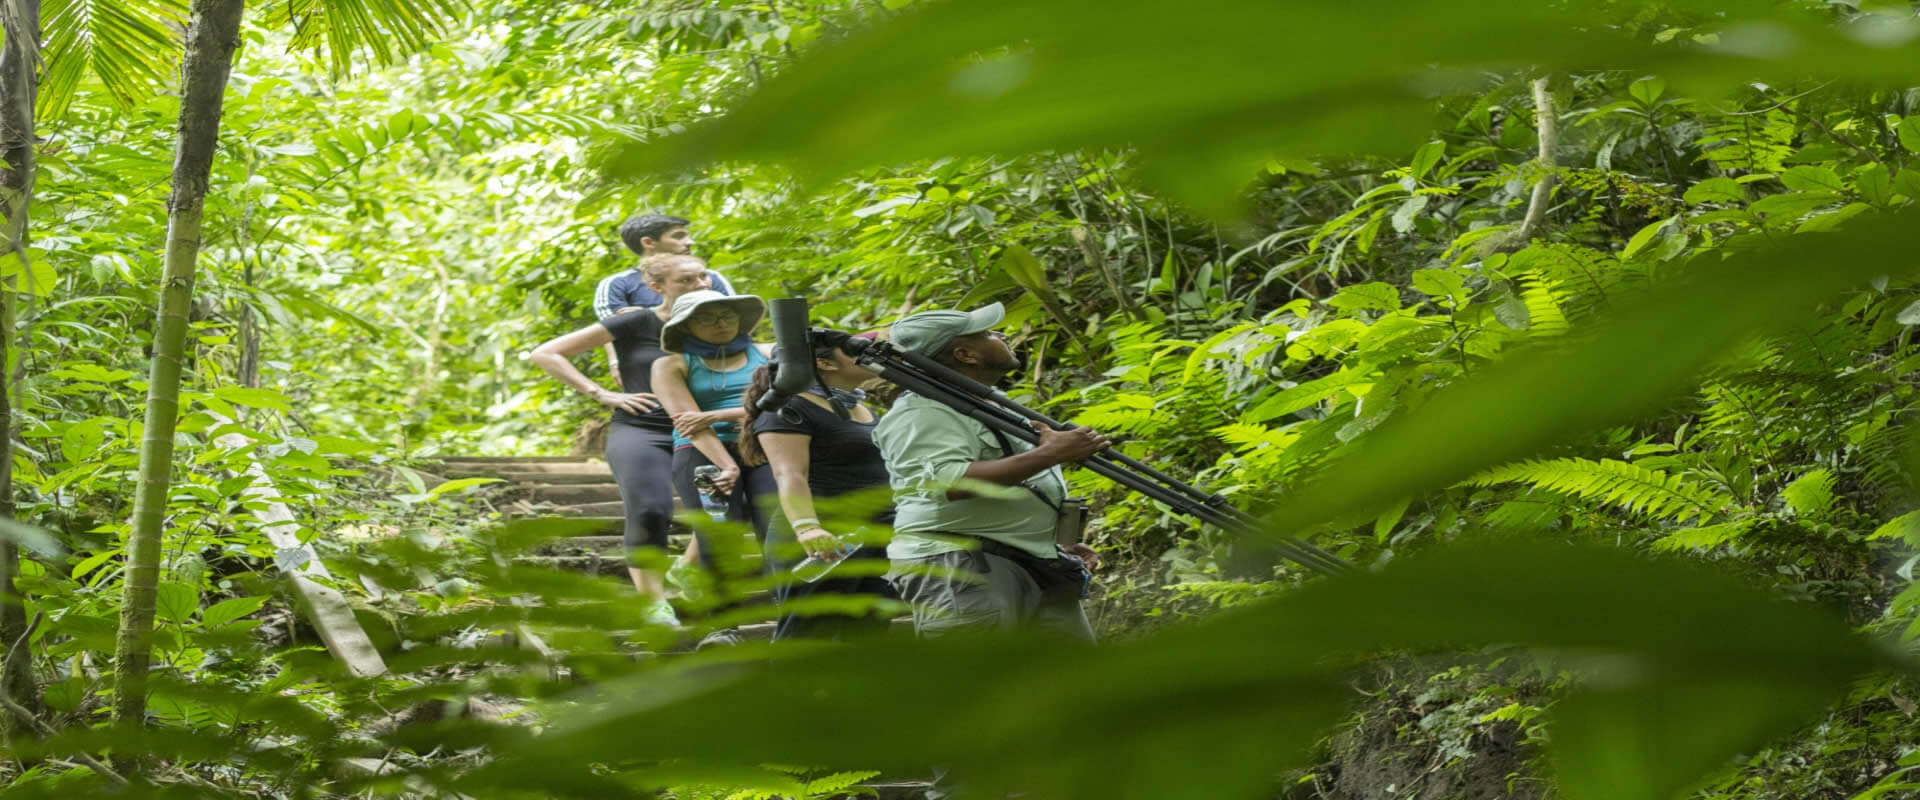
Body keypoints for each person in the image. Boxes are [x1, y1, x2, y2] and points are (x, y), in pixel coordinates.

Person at [870, 302, 1110, 639]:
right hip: (962, 566)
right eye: (987, 333)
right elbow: (951, 483)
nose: (1001, 334)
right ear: (966, 354)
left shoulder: (986, 402)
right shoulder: (921, 412)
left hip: (1027, 559)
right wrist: (1053, 454)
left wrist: (1048, 542)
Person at [530, 253, 714, 628]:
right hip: (642, 427)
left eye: (704, 278)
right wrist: (602, 394)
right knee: (650, 509)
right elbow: (546, 352)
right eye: (687, 281)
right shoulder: (637, 320)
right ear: (656, 287)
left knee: (721, 508)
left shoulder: (722, 322)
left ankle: (686, 567)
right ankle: (654, 602)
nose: (700, 286)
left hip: (701, 429)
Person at [739, 330, 900, 641]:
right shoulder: (789, 408)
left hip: (875, 534)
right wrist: (807, 528)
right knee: (807, 638)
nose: (867, 355)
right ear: (824, 363)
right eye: (855, 350)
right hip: (823, 536)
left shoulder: (862, 408)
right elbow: (790, 474)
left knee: (867, 635)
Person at [652, 290, 779, 576]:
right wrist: (728, 465)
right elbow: (690, 423)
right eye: (706, 318)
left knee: (777, 527)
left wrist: (719, 414)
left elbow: (786, 405)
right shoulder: (670, 364)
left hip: (765, 445)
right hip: (701, 450)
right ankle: (720, 619)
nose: (720, 323)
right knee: (720, 532)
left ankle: (788, 611)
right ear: (686, 324)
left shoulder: (768, 353)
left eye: (727, 315)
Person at [594, 214, 734, 319]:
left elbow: (736, 318)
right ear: (648, 242)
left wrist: (645, 315)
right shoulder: (616, 284)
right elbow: (615, 330)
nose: (690, 242)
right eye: (679, 237)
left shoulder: (709, 277)